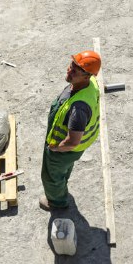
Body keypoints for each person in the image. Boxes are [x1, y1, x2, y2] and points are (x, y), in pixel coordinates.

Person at [40, 50, 101, 210]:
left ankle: (56, 202)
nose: (69, 70)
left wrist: (55, 148)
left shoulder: (78, 108)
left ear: (87, 76)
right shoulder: (90, 84)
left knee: (51, 177)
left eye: (75, 71)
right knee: (62, 170)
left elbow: (72, 142)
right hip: (70, 153)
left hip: (63, 150)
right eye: (71, 65)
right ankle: (62, 184)